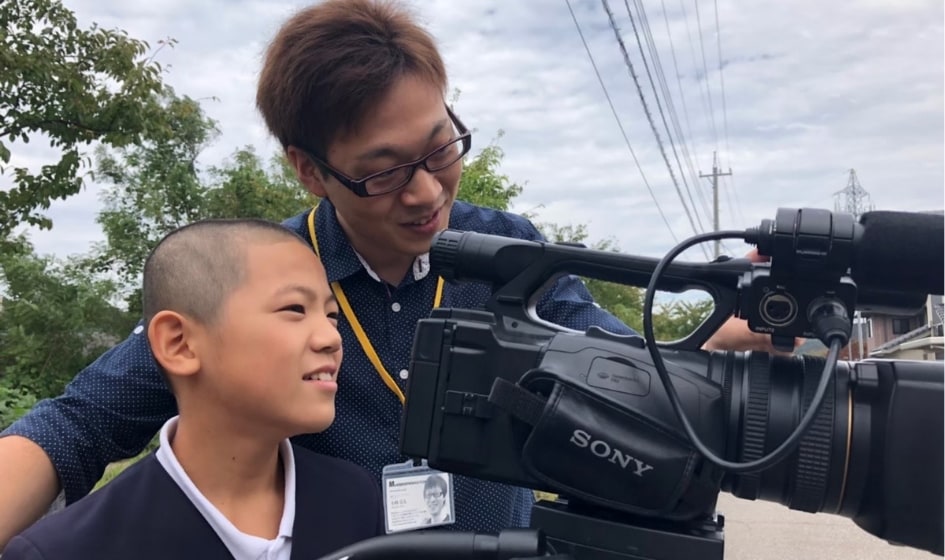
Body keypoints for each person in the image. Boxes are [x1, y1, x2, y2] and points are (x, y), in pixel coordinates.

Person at [0, 0, 780, 546]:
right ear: (309, 170)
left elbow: (623, 371)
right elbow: (77, 425)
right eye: (383, 171)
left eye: (441, 149)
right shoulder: (259, 281)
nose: (427, 191)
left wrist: (725, 340)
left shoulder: (510, 254)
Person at [1, 219, 385, 559]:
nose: (330, 338)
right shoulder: (67, 549)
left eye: (332, 315)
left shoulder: (352, 498)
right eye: (295, 310)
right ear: (179, 344)